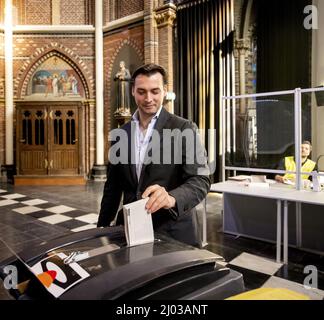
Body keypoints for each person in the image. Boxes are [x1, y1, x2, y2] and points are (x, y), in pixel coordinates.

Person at [97, 63, 211, 246]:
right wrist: (100, 229)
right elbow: (112, 188)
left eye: (155, 91)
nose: (148, 98)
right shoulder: (121, 134)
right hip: (132, 229)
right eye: (141, 91)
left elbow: (201, 180)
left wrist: (172, 198)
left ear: (164, 91)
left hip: (173, 232)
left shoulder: (184, 128)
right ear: (133, 91)